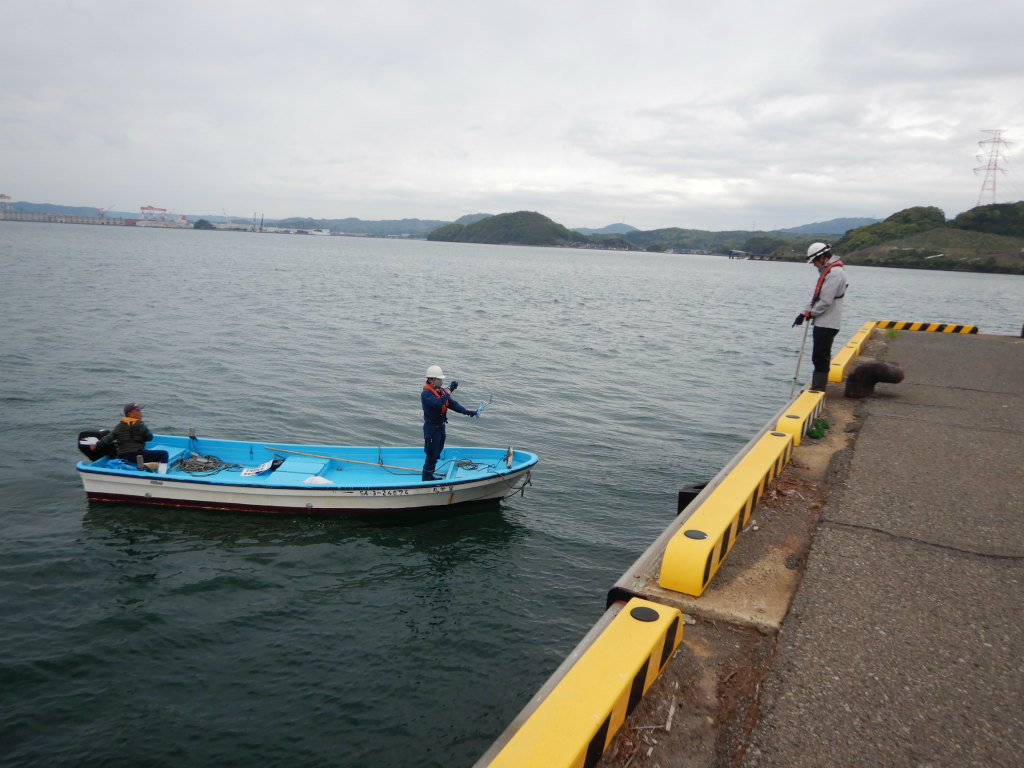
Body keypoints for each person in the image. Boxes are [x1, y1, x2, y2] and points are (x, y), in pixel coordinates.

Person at [793, 242, 848, 391]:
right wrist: (802, 313)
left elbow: (825, 302)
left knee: (820, 356)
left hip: (828, 322)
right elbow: (816, 298)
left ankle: (818, 389)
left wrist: (810, 313)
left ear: (823, 257)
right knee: (819, 355)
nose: (814, 265)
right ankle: (818, 387)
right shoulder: (829, 272)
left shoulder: (835, 273)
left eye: (815, 261)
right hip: (824, 321)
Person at [421, 365, 478, 481]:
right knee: (431, 453)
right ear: (431, 380)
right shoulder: (426, 394)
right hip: (432, 428)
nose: (441, 381)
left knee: (438, 451)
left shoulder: (440, 391)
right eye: (439, 379)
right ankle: (427, 477)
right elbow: (438, 404)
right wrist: (450, 391)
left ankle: (431, 472)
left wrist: (466, 412)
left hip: (440, 427)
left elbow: (451, 404)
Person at [92, 402, 169, 473]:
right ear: (130, 413)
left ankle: (141, 466)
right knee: (164, 454)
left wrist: (97, 445)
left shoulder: (119, 426)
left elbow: (107, 439)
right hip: (135, 455)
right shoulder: (139, 425)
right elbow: (150, 438)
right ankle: (161, 476)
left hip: (123, 455)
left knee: (143, 453)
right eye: (137, 411)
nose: (140, 413)